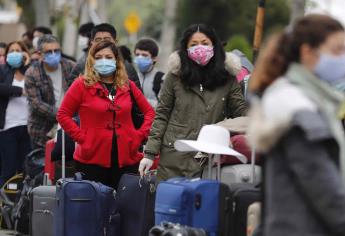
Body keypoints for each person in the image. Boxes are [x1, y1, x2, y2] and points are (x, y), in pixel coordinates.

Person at [247, 14, 345, 236]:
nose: (343, 58)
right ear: (308, 52)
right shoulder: (295, 106)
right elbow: (324, 189)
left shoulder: (312, 100)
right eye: (337, 50)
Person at [139, 24, 248, 181]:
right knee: (170, 202)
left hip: (209, 160)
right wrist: (149, 154)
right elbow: (162, 114)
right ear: (185, 48)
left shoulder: (228, 79)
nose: (200, 48)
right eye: (193, 44)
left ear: (214, 46)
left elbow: (241, 113)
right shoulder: (175, 76)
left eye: (205, 43)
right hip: (173, 157)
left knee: (203, 203)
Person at [57, 40, 155, 188]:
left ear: (116, 60)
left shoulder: (128, 85)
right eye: (99, 57)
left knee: (125, 206)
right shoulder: (81, 85)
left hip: (127, 158)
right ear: (92, 60)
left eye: (108, 57)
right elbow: (63, 114)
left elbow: (150, 113)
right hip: (91, 159)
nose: (104, 61)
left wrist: (139, 135)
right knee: (94, 207)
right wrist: (82, 137)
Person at [25, 35, 75, 149]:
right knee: (44, 165)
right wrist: (62, 115)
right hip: (42, 131)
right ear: (40, 54)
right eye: (49, 52)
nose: (53, 54)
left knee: (67, 165)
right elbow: (36, 104)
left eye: (56, 50)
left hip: (70, 128)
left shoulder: (70, 66)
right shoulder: (32, 73)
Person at [68, 23, 140, 87]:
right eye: (98, 40)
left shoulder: (126, 67)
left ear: (115, 42)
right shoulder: (82, 65)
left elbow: (137, 98)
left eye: (107, 40)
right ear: (91, 42)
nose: (102, 43)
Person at [0, 41, 32, 186]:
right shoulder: (2, 70)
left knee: (25, 168)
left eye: (17, 50)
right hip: (8, 127)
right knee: (8, 168)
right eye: (11, 51)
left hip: (28, 127)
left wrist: (28, 62)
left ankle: (22, 203)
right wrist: (20, 91)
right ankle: (5, 203)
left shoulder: (31, 71)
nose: (14, 53)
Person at [134, 38, 165, 108]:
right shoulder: (131, 78)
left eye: (144, 55)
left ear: (154, 58)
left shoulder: (161, 79)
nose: (140, 58)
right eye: (137, 54)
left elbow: (165, 106)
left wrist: (143, 101)